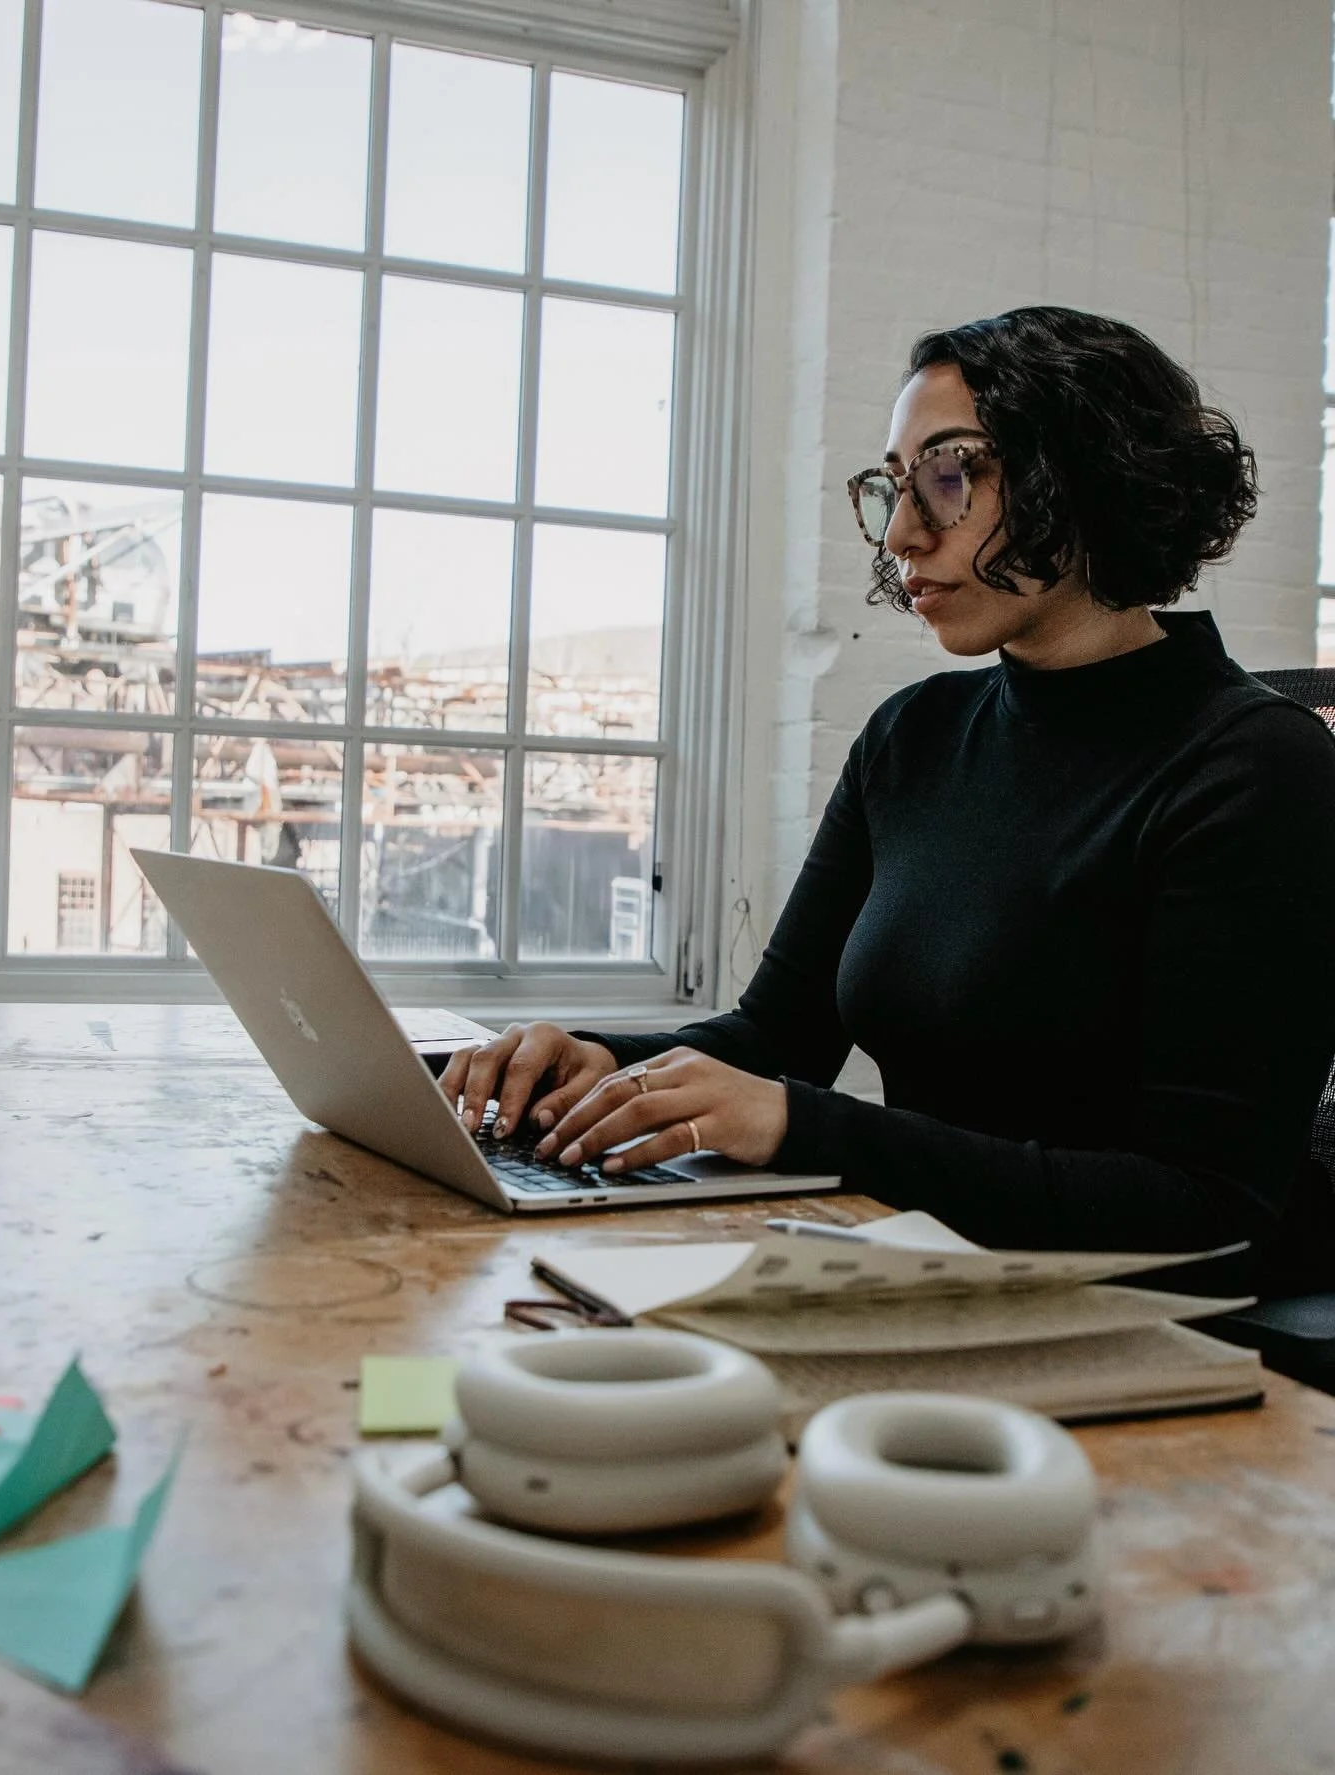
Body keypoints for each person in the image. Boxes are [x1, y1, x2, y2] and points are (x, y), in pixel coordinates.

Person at [440, 305, 1335, 1292]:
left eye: (951, 477)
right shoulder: (913, 735)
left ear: (1088, 474)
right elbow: (775, 1040)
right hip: (918, 1279)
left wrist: (794, 1122)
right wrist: (595, 1057)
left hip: (1154, 1335)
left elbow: (1206, 1207)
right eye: (896, 487)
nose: (905, 532)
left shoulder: (1258, 767)